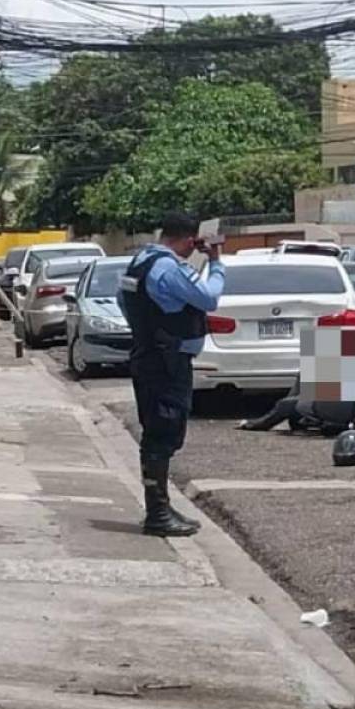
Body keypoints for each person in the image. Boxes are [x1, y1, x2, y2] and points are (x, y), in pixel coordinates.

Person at [119, 212, 225, 537]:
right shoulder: (168, 267)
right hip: (166, 362)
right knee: (163, 433)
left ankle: (161, 506)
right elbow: (208, 298)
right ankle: (157, 515)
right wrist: (216, 263)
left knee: (158, 432)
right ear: (190, 240)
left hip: (151, 356)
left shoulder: (140, 261)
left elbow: (123, 300)